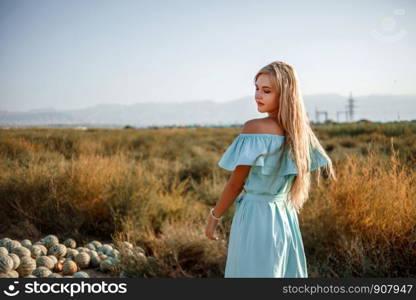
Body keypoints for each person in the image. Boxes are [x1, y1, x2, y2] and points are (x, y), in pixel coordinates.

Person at [204, 60, 337, 278]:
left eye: (266, 90)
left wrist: (213, 218)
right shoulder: (300, 133)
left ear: (284, 94)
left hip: (256, 216)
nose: (258, 95)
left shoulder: (254, 128)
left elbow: (235, 184)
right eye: (256, 88)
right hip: (285, 216)